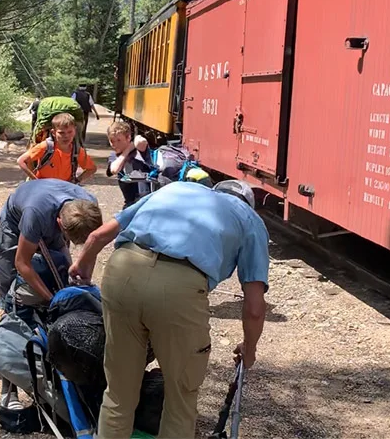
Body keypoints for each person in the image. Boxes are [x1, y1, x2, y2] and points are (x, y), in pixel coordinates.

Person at [69, 179, 270, 439]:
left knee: (118, 393)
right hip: (179, 288)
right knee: (180, 401)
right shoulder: (250, 219)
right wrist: (249, 349)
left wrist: (83, 264)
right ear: (248, 203)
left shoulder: (176, 189)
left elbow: (98, 235)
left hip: (123, 270)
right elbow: (254, 307)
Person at [0, 179, 103, 411]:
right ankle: (8, 389)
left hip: (50, 219)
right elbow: (22, 263)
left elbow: (91, 249)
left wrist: (82, 279)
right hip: (15, 227)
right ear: (59, 224)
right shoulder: (35, 215)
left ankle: (53, 370)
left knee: (59, 277)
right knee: (17, 301)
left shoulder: (89, 206)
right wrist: (52, 299)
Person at [16, 113, 96, 184]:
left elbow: (92, 169)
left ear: (75, 130)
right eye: (61, 132)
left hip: (63, 188)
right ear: (53, 133)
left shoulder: (77, 151)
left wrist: (77, 181)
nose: (66, 136)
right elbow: (21, 161)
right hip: (43, 187)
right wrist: (35, 180)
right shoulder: (46, 147)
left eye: (70, 132)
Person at [105, 121, 152, 209]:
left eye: (119, 140)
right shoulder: (114, 156)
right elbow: (114, 170)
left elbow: (141, 142)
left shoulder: (139, 151)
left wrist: (137, 139)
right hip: (130, 203)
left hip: (145, 200)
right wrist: (127, 150)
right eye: (112, 141)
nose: (115, 144)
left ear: (128, 137)